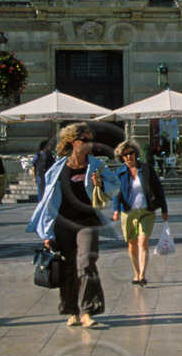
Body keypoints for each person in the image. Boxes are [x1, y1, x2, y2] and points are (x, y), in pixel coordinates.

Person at [29, 123, 109, 328]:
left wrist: (102, 184)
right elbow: (48, 201)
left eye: (90, 140)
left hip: (88, 221)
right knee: (67, 266)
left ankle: (88, 311)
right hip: (63, 223)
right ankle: (70, 310)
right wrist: (47, 233)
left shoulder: (97, 165)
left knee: (87, 262)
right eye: (85, 140)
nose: (89, 143)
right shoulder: (58, 168)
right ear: (73, 142)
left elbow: (114, 186)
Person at [111, 140, 169, 286]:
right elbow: (116, 193)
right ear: (121, 157)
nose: (129, 156)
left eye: (131, 153)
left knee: (143, 241)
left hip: (147, 210)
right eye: (125, 154)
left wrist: (164, 209)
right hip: (128, 212)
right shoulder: (119, 172)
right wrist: (116, 210)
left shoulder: (146, 169)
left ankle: (143, 274)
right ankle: (136, 273)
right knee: (132, 243)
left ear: (135, 153)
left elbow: (158, 189)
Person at [31, 140, 54, 205]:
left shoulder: (37, 155)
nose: (50, 147)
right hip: (46, 175)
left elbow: (33, 167)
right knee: (44, 190)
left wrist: (34, 177)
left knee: (41, 191)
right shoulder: (49, 155)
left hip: (39, 175)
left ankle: (41, 204)